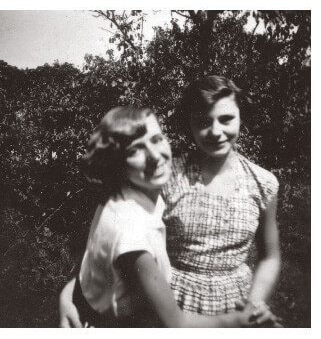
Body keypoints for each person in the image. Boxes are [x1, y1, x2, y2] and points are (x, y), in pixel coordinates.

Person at [59, 76, 282, 327]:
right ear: (190, 124)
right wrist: (70, 294)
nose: (216, 131)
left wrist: (253, 306)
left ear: (241, 116)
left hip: (238, 304)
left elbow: (269, 256)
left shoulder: (262, 183)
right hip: (168, 304)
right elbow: (108, 244)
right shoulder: (164, 174)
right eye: (203, 122)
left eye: (226, 119)